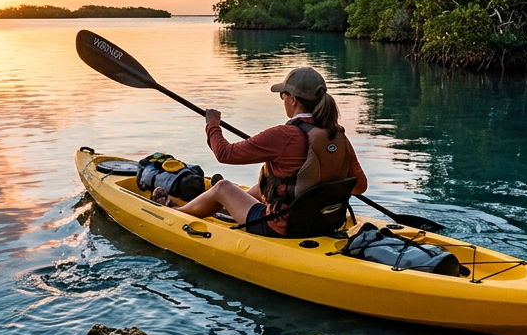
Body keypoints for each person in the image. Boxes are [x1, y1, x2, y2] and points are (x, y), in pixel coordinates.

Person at [154, 66, 367, 237]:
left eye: (283, 95)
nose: (283, 100)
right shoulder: (338, 135)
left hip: (281, 226)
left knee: (223, 187)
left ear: (293, 99)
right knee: (264, 184)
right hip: (325, 222)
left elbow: (224, 153)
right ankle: (221, 209)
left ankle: (176, 212)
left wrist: (212, 125)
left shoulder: (285, 135)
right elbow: (359, 187)